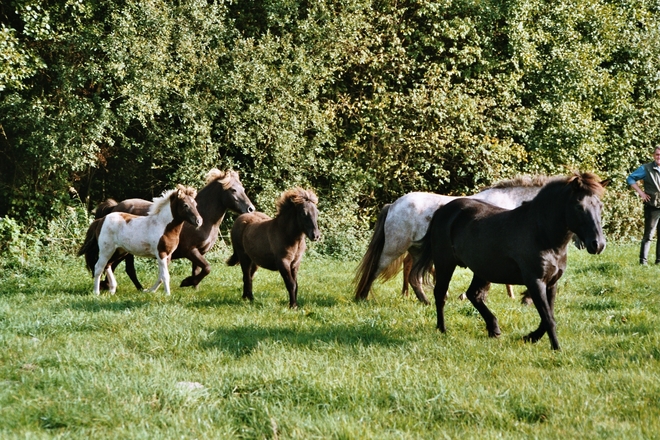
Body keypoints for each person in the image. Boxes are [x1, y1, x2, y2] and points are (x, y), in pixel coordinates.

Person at [627, 146, 660, 264]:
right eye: (657, 154)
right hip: (652, 205)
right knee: (649, 235)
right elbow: (630, 179)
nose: (659, 157)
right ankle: (643, 261)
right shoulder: (646, 169)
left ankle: (659, 260)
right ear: (653, 155)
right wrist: (641, 193)